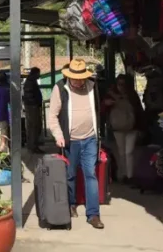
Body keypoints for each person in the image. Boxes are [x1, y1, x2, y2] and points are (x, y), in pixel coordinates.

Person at [47, 59, 104, 230]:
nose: (79, 82)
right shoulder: (60, 88)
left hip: (90, 139)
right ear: (69, 76)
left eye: (81, 78)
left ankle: (93, 215)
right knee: (70, 174)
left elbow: (98, 109)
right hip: (70, 140)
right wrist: (58, 135)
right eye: (76, 79)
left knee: (90, 174)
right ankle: (71, 204)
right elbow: (52, 116)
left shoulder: (93, 86)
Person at [105, 73, 145, 183]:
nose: (121, 87)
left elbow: (139, 112)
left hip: (131, 128)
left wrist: (141, 128)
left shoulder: (132, 96)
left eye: (124, 84)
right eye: (119, 84)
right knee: (122, 152)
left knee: (128, 152)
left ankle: (129, 176)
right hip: (119, 128)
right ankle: (123, 175)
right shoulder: (111, 96)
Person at [23, 67, 43, 153]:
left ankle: (33, 144)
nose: (39, 75)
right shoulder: (30, 82)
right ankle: (33, 146)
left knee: (34, 126)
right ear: (35, 73)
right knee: (34, 126)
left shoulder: (31, 81)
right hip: (32, 107)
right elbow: (29, 96)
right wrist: (35, 104)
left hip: (33, 106)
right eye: (38, 73)